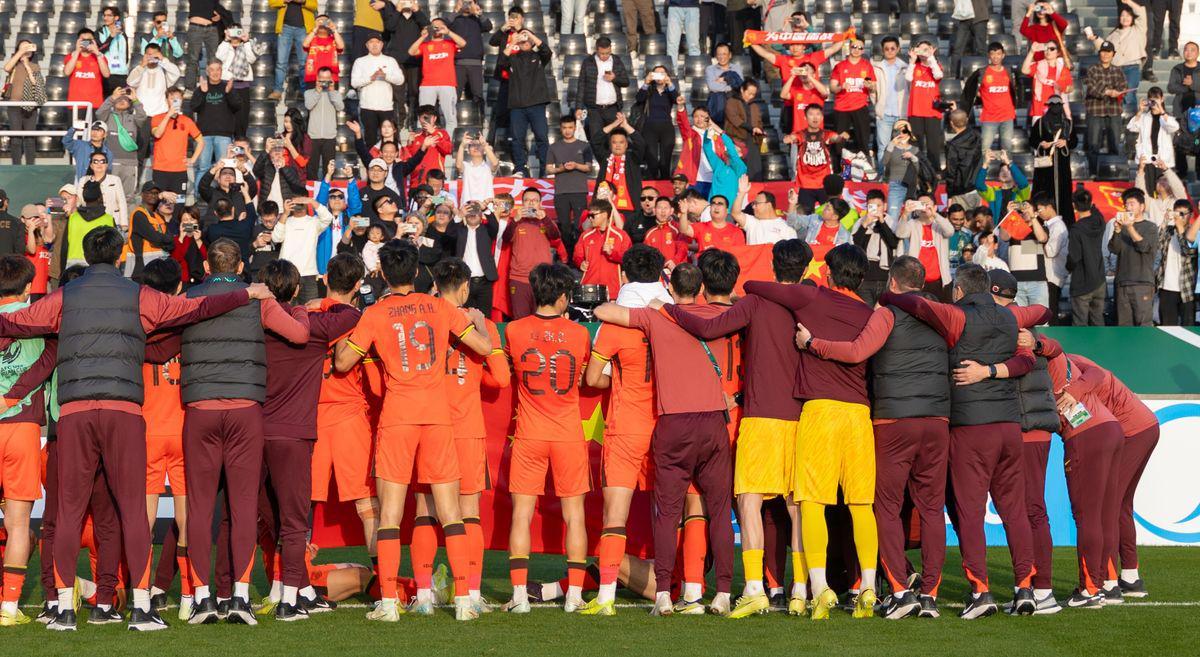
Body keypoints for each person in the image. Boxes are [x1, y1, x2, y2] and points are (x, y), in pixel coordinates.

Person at [0, 227, 273, 631]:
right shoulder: (137, 294)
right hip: (124, 410)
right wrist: (245, 293)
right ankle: (141, 608)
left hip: (74, 412)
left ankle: (63, 611)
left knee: (69, 511)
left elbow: (16, 323)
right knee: (132, 508)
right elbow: (194, 310)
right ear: (120, 255)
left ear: (87, 256)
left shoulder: (64, 296)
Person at [878, 263, 1049, 619]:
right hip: (1009, 426)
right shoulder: (1009, 317)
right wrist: (1010, 358)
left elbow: (919, 305)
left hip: (971, 427)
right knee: (1015, 511)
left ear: (958, 290)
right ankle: (1024, 587)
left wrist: (888, 295)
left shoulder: (957, 315)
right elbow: (1040, 319)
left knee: (970, 513)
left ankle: (981, 591)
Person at [335, 240, 490, 622]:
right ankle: (464, 601)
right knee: (451, 513)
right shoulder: (439, 307)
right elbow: (483, 347)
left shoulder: (375, 313)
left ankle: (389, 603)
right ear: (418, 271)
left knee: (390, 514)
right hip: (437, 416)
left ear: (384, 274)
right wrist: (478, 325)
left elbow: (343, 363)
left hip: (398, 417)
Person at [795, 255, 953, 618]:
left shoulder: (885, 313)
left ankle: (898, 590)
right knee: (932, 509)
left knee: (884, 506)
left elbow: (857, 352)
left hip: (894, 420)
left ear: (893, 283)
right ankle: (929, 594)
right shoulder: (943, 316)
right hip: (937, 419)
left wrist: (813, 343)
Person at [664, 240, 814, 617]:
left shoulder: (754, 302)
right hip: (800, 415)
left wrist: (668, 308)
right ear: (806, 268)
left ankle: (748, 588)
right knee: (795, 505)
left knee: (743, 500)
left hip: (755, 415)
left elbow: (708, 327)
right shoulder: (811, 302)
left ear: (772, 265)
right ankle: (799, 589)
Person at [742, 244, 879, 620]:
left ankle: (818, 587)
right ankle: (868, 585)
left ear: (829, 273)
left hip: (819, 411)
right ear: (861, 277)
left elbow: (758, 287)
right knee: (861, 505)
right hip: (859, 413)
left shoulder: (813, 297)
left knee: (812, 502)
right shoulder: (869, 313)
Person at [593, 263, 735, 617]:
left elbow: (600, 319)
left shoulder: (652, 318)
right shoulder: (718, 317)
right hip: (707, 421)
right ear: (699, 289)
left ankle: (614, 596)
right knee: (705, 510)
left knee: (630, 514)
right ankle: (701, 592)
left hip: (649, 425)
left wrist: (654, 306)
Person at [257, 256, 361, 621]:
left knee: (260, 519)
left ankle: (287, 590)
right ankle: (289, 599)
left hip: (254, 432)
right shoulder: (312, 325)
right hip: (294, 434)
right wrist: (317, 305)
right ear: (298, 289)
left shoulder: (252, 324)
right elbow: (352, 314)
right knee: (295, 521)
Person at [500, 263, 592, 614]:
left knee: (521, 514)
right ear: (564, 296)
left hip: (530, 433)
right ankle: (574, 595)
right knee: (575, 516)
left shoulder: (514, 330)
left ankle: (520, 595)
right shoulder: (579, 333)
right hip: (567, 433)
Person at [429, 257, 509, 612]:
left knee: (425, 510)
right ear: (464, 287)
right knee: (468, 512)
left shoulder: (425, 318)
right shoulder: (480, 324)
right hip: (466, 428)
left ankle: (423, 593)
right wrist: (476, 370)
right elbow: (501, 379)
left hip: (428, 425)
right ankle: (471, 593)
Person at [0, 256, 47, 626]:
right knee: (18, 523)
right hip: (23, 427)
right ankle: (9, 609)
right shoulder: (39, 320)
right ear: (28, 287)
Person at [498, 29, 552, 178]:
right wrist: (513, 41)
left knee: (542, 137)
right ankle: (520, 168)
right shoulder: (513, 58)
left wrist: (530, 34)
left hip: (537, 104)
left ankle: (545, 170)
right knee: (517, 139)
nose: (525, 41)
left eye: (527, 40)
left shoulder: (539, 57)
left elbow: (547, 50)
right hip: (517, 105)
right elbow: (501, 61)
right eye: (522, 40)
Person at [501, 189, 560, 319]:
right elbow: (505, 238)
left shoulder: (545, 221)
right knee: (520, 320)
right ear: (522, 203)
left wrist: (545, 218)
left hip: (543, 279)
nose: (531, 203)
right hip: (519, 278)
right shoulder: (516, 221)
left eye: (535, 201)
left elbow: (555, 235)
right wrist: (515, 220)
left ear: (540, 204)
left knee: (542, 319)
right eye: (527, 200)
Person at [1110, 187, 1160, 326]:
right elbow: (1114, 249)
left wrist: (1130, 227)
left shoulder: (1150, 227)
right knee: (1124, 326)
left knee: (1143, 324)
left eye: (1132, 204)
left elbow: (1144, 247)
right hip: (1122, 282)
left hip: (1142, 282)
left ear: (1142, 207)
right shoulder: (1123, 227)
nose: (1128, 207)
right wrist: (1117, 230)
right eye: (1126, 204)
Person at [272, 197, 335, 303]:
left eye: (301, 202)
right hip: (287, 274)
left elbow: (328, 218)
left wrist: (312, 201)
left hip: (309, 274)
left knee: (310, 309)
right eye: (295, 202)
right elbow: (276, 238)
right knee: (285, 309)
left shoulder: (314, 222)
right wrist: (285, 213)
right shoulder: (285, 221)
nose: (299, 204)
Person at [576, 37, 631, 161]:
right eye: (602, 53)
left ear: (611, 49)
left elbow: (626, 82)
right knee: (596, 140)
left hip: (612, 108)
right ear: (596, 50)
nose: (605, 56)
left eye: (607, 53)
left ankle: (615, 165)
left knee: (615, 139)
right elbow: (581, 85)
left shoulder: (617, 60)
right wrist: (578, 107)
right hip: (594, 109)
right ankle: (604, 166)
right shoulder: (588, 62)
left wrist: (614, 78)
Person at [409, 18, 466, 134]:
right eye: (434, 26)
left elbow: (463, 43)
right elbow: (411, 52)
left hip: (447, 84)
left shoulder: (450, 44)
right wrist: (422, 37)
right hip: (427, 85)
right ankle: (425, 141)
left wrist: (448, 32)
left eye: (440, 26)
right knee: (425, 116)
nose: (437, 28)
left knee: (450, 117)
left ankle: (448, 142)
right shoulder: (425, 45)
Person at [547, 115, 594, 255]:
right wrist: (561, 169)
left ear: (575, 128)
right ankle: (566, 255)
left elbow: (588, 167)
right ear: (560, 129)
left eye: (570, 127)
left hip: (579, 191)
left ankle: (580, 254)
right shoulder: (554, 147)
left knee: (580, 225)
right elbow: (549, 168)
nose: (567, 130)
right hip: (561, 192)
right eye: (564, 128)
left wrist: (576, 165)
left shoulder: (584, 146)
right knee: (564, 226)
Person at [786, 104, 846, 211]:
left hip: (824, 185)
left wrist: (840, 137)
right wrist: (789, 138)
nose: (815, 117)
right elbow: (793, 137)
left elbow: (835, 138)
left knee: (831, 213)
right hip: (805, 184)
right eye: (811, 114)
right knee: (805, 216)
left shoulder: (826, 134)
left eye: (818, 114)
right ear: (805, 117)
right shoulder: (801, 134)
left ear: (822, 117)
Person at [351, 35, 405, 148]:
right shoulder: (360, 61)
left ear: (382, 44)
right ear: (367, 45)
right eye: (371, 42)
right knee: (370, 140)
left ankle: (391, 159)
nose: (374, 45)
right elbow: (354, 82)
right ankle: (371, 159)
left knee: (389, 139)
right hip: (367, 107)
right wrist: (371, 78)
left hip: (386, 107)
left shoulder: (390, 60)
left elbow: (400, 80)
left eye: (377, 42)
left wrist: (386, 76)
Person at [1084, 41, 1130, 175]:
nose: (1105, 55)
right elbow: (1091, 87)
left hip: (1114, 111)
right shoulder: (1092, 69)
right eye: (1103, 52)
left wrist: (1118, 92)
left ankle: (1112, 172)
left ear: (1113, 54)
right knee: (1093, 144)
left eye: (1108, 52)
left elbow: (1124, 87)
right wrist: (1107, 91)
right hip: (1095, 111)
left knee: (1114, 143)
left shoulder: (1118, 70)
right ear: (1099, 53)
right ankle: (1093, 172)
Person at [191, 61, 241, 182]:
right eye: (212, 70)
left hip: (224, 135)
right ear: (207, 72)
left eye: (218, 69)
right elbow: (194, 107)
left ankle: (222, 193)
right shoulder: (201, 88)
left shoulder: (227, 87)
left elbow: (237, 106)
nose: (215, 72)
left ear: (221, 71)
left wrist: (229, 93)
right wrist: (203, 93)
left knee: (224, 169)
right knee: (203, 168)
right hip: (204, 135)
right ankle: (200, 194)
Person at [895, 198, 955, 299]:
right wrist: (905, 214)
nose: (924, 208)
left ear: (935, 207)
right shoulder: (912, 224)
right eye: (921, 204)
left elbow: (950, 231)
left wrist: (934, 214)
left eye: (927, 204)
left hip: (940, 281)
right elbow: (900, 233)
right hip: (917, 281)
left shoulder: (939, 224)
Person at [1029, 96, 1076, 224]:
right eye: (1053, 105)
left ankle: (1065, 223)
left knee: (1063, 194)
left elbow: (1074, 141)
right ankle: (1041, 222)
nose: (1056, 108)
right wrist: (1041, 143)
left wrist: (1065, 142)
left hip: (1062, 167)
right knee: (1044, 194)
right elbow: (1032, 140)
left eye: (1058, 105)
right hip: (1045, 169)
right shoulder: (1040, 123)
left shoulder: (1068, 124)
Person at [574, 202, 632, 299]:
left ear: (605, 214)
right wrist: (580, 263)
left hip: (612, 289)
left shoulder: (621, 235)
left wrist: (611, 253)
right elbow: (577, 256)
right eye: (589, 216)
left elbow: (628, 259)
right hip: (589, 287)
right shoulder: (585, 235)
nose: (590, 218)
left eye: (593, 215)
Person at [150, 88, 203, 195]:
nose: (175, 101)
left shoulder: (187, 121)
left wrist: (193, 159)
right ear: (166, 100)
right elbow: (157, 134)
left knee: (179, 201)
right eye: (172, 98)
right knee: (160, 200)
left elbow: (201, 141)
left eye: (178, 98)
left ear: (182, 100)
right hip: (160, 170)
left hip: (179, 171)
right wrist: (168, 116)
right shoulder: (157, 118)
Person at [830, 39, 876, 160]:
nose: (857, 50)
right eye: (854, 46)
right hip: (841, 108)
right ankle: (839, 168)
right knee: (839, 143)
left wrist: (870, 86)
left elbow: (873, 88)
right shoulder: (839, 66)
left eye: (860, 48)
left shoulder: (867, 66)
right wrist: (841, 87)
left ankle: (864, 167)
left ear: (863, 50)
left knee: (863, 141)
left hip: (860, 106)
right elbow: (832, 88)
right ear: (849, 47)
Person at [1067, 190, 1108, 326]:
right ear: (1090, 203)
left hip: (1081, 282)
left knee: (1080, 323)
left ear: (1074, 205)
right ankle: (1101, 341)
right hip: (1099, 279)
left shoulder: (1076, 229)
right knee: (1098, 319)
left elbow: (1074, 257)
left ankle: (1081, 342)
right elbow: (1096, 211)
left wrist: (1068, 267)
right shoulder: (1100, 222)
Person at [1155, 200, 1199, 325]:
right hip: (1167, 286)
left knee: (1188, 326)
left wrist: (1180, 228)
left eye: (1182, 214)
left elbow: (1188, 250)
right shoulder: (1169, 231)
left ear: (1190, 215)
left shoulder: (1194, 232)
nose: (1179, 217)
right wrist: (1165, 220)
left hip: (1187, 288)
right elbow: (1156, 244)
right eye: (1177, 213)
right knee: (1167, 326)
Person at [635, 66, 681, 181]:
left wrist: (670, 83)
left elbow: (677, 100)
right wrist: (646, 83)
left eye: (662, 73)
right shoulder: (649, 89)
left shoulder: (669, 90)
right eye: (657, 73)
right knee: (652, 160)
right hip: (649, 127)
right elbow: (639, 99)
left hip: (666, 126)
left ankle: (665, 183)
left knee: (666, 160)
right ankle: (651, 184)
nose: (659, 76)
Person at [3, 40, 45, 165]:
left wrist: (26, 64)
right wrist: (20, 52)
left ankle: (30, 166)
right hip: (14, 105)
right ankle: (16, 166)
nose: (26, 50)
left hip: (30, 106)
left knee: (30, 138)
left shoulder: (35, 66)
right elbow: (6, 68)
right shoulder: (14, 64)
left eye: (28, 48)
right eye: (23, 48)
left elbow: (35, 82)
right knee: (16, 138)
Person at [597, 117, 647, 220]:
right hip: (606, 208)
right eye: (614, 142)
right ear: (610, 145)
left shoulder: (633, 158)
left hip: (629, 209)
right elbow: (595, 141)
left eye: (621, 142)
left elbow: (641, 143)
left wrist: (626, 126)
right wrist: (613, 125)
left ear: (626, 144)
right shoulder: (604, 158)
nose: (618, 145)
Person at [449, 0, 492, 119]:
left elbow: (488, 27)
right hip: (457, 63)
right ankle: (452, 121)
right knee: (454, 95)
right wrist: (456, 11)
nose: (466, 4)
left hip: (475, 63)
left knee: (478, 94)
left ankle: (481, 120)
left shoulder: (477, 19)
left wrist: (479, 13)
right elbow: (444, 25)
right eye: (464, 2)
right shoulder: (455, 19)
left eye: (469, 2)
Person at [906, 40, 945, 171]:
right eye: (920, 49)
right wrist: (912, 61)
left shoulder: (936, 66)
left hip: (932, 112)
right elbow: (908, 78)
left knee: (933, 145)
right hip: (915, 111)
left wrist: (931, 57)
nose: (923, 51)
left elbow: (938, 75)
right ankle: (916, 171)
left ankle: (935, 172)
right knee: (915, 144)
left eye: (926, 49)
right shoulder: (914, 66)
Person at [268, 0, 318, 99]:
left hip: (303, 29)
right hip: (285, 28)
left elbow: (314, 5)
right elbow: (272, 3)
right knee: (281, 62)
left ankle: (305, 91)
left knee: (304, 63)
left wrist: (303, 1)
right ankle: (278, 91)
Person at [125, 183, 177, 280]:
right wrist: (164, 240)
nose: (153, 195)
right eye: (150, 192)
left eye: (156, 193)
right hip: (140, 269)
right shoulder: (139, 214)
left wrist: (165, 240)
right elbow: (155, 238)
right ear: (142, 194)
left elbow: (171, 242)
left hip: (157, 270)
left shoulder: (158, 217)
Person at [872, 36, 909, 171]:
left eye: (893, 48)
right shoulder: (877, 68)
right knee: (883, 147)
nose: (890, 51)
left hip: (901, 115)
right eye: (886, 49)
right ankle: (883, 175)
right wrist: (878, 106)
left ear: (898, 49)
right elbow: (873, 91)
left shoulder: (906, 68)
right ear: (883, 50)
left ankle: (901, 175)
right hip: (884, 114)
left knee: (902, 146)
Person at [303, 67, 344, 180]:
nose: (324, 82)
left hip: (329, 136)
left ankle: (328, 189)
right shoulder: (308, 93)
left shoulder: (335, 94)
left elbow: (340, 107)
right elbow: (309, 105)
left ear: (331, 79)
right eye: (322, 79)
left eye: (327, 79)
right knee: (311, 169)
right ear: (317, 78)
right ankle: (311, 189)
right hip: (313, 136)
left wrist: (331, 91)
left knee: (329, 170)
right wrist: (317, 92)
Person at [1128, 90, 1180, 176]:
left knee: (1163, 184)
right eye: (1151, 99)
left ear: (1162, 99)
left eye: (1156, 99)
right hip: (1146, 159)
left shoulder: (1166, 117)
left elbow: (1175, 127)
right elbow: (1131, 127)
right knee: (1146, 184)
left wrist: (1161, 110)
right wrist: (1140, 111)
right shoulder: (1144, 117)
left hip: (1163, 160)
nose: (1154, 102)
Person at [65, 29, 110, 125]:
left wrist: (97, 52)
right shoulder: (71, 56)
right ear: (78, 41)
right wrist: (77, 51)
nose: (86, 42)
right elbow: (67, 72)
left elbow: (106, 74)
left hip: (95, 104)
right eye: (83, 40)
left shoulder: (100, 57)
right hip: (76, 104)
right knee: (76, 132)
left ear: (93, 41)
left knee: (93, 131)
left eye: (89, 40)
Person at [723, 79, 764, 182]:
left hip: (752, 139)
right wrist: (752, 128)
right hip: (736, 139)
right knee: (739, 169)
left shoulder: (754, 105)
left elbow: (759, 121)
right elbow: (734, 119)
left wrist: (760, 130)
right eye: (749, 93)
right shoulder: (731, 102)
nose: (751, 96)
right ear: (742, 90)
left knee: (755, 169)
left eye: (753, 94)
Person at [1022, 43, 1073, 124]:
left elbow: (1069, 88)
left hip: (1056, 110)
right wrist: (1032, 52)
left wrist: (1063, 88)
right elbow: (1024, 70)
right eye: (1046, 48)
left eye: (1052, 49)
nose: (1048, 51)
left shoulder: (1063, 70)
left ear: (1058, 52)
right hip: (1039, 110)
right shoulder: (1038, 65)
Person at [78, 151, 128, 231]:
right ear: (91, 165)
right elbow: (79, 201)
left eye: (102, 161)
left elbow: (122, 202)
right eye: (95, 161)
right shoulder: (83, 180)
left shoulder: (115, 180)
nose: (99, 164)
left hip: (112, 221)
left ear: (107, 165)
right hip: (91, 221)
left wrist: (124, 223)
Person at [127, 45, 182, 119]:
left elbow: (176, 73)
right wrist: (142, 65)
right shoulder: (139, 69)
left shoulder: (164, 71)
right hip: (140, 114)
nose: (151, 57)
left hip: (160, 114)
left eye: (155, 55)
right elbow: (130, 82)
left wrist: (163, 60)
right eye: (149, 55)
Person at [945, 110, 982, 210]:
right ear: (967, 120)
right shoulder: (977, 136)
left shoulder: (952, 146)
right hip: (976, 187)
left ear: (951, 123)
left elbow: (951, 172)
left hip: (960, 191)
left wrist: (950, 195)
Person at [182, 0, 222, 90]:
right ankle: (190, 88)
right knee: (193, 59)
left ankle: (214, 87)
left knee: (214, 60)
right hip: (196, 26)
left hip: (212, 27)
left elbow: (216, 7)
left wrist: (219, 15)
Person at [303, 14, 345, 90]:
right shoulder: (312, 39)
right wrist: (315, 29)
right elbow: (305, 44)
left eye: (325, 21)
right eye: (319, 21)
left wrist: (334, 30)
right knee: (313, 97)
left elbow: (341, 46)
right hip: (313, 76)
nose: (322, 22)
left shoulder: (334, 39)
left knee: (331, 97)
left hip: (331, 77)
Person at [96, 6, 130, 94]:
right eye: (104, 15)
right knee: (106, 100)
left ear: (116, 18)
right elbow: (99, 51)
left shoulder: (123, 34)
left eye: (109, 15)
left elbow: (126, 56)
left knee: (121, 100)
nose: (105, 18)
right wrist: (111, 36)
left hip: (121, 75)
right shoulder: (99, 32)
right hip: (106, 74)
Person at [666, 0, 703, 66]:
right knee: (672, 43)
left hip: (692, 6)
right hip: (674, 6)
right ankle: (672, 71)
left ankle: (694, 69)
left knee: (694, 44)